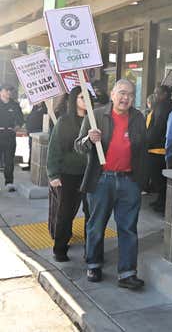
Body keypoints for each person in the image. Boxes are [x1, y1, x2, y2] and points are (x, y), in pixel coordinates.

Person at [75, 79, 147, 290]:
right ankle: (94, 264)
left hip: (129, 181)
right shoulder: (96, 115)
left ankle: (127, 273)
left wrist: (141, 181)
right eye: (122, 93)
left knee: (128, 228)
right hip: (102, 180)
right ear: (113, 94)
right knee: (96, 225)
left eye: (131, 95)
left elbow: (143, 149)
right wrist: (89, 139)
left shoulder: (138, 117)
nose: (126, 98)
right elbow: (78, 146)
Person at [47, 87, 90, 262]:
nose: (85, 100)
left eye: (88, 97)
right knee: (65, 213)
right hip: (67, 174)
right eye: (81, 97)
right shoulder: (64, 121)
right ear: (74, 100)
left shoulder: (94, 120)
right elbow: (54, 148)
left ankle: (91, 249)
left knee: (91, 212)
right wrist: (53, 174)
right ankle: (60, 249)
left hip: (89, 174)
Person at [147, 85, 172, 212]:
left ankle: (162, 203)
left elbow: (157, 128)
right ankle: (160, 201)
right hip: (165, 148)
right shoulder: (171, 106)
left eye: (157, 93)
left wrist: (148, 142)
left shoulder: (162, 107)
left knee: (159, 179)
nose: (155, 95)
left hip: (157, 149)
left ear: (165, 93)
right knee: (162, 180)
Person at [0, 85, 24, 192]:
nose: (9, 92)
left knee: (9, 160)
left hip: (10, 135)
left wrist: (18, 126)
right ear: (1, 92)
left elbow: (20, 119)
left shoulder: (14, 105)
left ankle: (9, 183)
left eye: (10, 90)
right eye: (6, 90)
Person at [25, 102, 47, 171]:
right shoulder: (34, 108)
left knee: (36, 149)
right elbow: (29, 118)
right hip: (31, 131)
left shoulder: (45, 109)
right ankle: (30, 165)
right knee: (31, 148)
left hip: (38, 131)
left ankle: (33, 166)